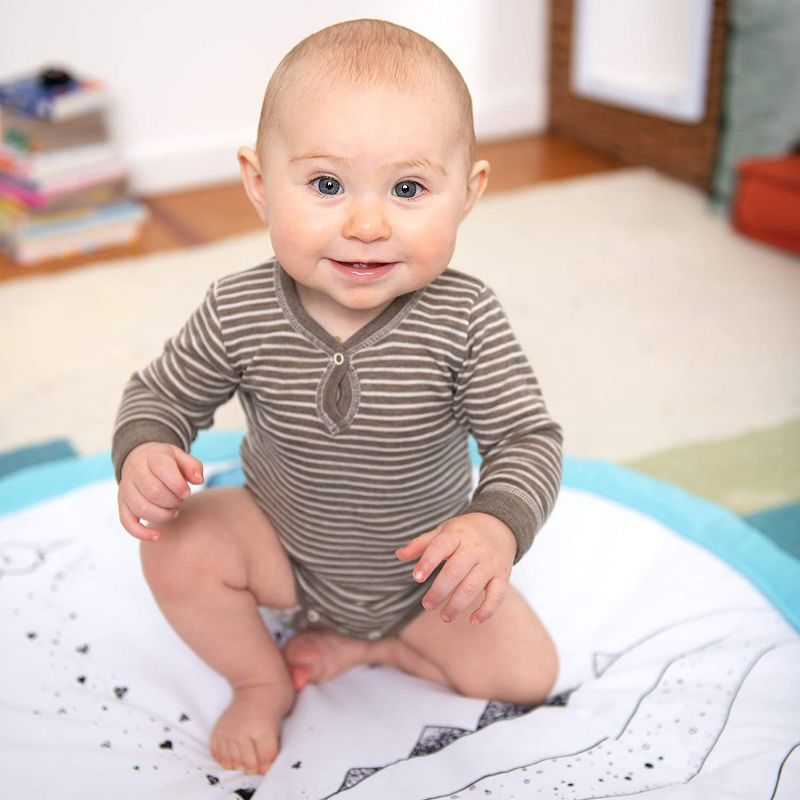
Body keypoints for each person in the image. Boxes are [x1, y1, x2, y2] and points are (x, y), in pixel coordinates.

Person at [112, 18, 563, 777]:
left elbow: (527, 439)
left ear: (467, 193)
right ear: (259, 185)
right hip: (281, 553)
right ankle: (260, 679)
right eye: (326, 185)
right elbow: (160, 393)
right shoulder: (238, 308)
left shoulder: (466, 319)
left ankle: (375, 643)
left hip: (420, 577)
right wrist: (149, 450)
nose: (365, 223)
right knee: (178, 546)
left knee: (529, 674)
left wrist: (493, 527)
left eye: (409, 188)